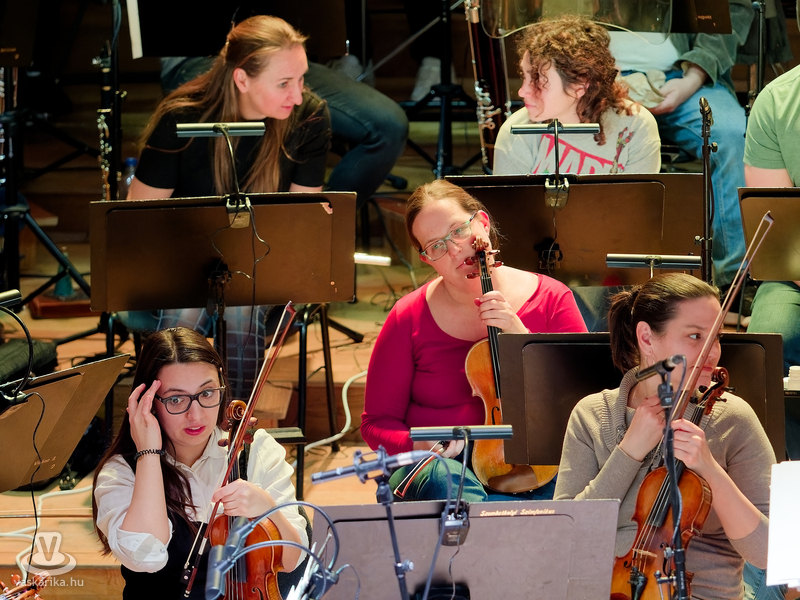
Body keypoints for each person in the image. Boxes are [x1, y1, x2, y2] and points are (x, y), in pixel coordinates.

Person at [120, 15, 332, 399]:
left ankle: (233, 424)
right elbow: (138, 219)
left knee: (240, 303)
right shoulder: (182, 116)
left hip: (264, 266)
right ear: (241, 79)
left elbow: (300, 224)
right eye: (284, 83)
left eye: (301, 80)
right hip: (181, 265)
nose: (298, 95)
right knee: (187, 311)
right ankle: (169, 420)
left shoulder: (309, 118)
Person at [360, 179, 588, 503]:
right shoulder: (407, 317)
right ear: (427, 259)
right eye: (436, 246)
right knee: (445, 480)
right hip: (444, 466)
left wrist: (522, 339)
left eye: (458, 231)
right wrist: (421, 445)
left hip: (534, 466)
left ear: (482, 223)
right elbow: (376, 423)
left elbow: (588, 404)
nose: (455, 250)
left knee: (573, 490)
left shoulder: (551, 298)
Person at [555, 273, 775, 600]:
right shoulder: (592, 415)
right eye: (695, 336)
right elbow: (564, 538)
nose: (712, 352)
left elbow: (769, 551)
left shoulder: (732, 418)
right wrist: (629, 452)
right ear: (647, 338)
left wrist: (710, 470)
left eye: (716, 337)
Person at [92, 327, 307, 599]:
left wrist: (267, 508)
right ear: (149, 403)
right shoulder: (121, 473)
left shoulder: (257, 451)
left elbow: (292, 561)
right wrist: (148, 453)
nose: (195, 415)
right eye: (176, 399)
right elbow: (146, 558)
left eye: (206, 393)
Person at [608, 1, 753, 296]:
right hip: (598, 75)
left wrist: (692, 78)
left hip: (683, 73)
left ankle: (734, 282)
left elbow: (730, 11)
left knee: (730, 136)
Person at [493, 14, 661, 176]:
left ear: (580, 85)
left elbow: (637, 196)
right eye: (524, 76)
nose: (522, 91)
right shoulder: (515, 134)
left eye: (537, 79)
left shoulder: (635, 127)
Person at [742, 61, 800, 462]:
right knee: (767, 344)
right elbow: (781, 230)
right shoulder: (779, 100)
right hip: (795, 270)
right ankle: (791, 471)